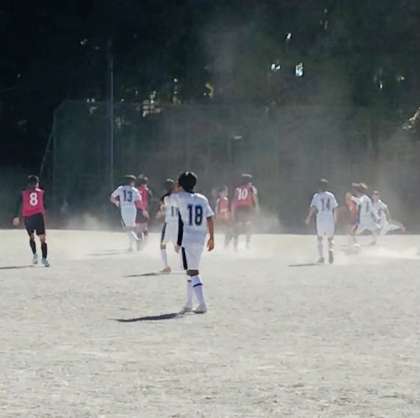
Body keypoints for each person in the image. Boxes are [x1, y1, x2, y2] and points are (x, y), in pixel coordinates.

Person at [174, 171, 215, 314]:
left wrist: (176, 188)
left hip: (187, 238)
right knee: (190, 271)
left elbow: (167, 202)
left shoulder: (179, 197)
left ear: (180, 184)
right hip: (200, 238)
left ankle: (202, 304)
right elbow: (209, 218)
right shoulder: (202, 199)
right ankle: (189, 303)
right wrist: (212, 237)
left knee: (193, 271)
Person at [12, 175, 50, 267]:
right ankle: (44, 259)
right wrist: (44, 209)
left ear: (28, 184)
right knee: (42, 239)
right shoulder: (42, 192)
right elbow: (45, 205)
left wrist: (16, 216)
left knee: (31, 237)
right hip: (38, 216)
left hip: (28, 217)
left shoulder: (23, 193)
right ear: (37, 183)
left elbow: (17, 204)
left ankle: (35, 255)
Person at [305, 178, 338, 264]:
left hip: (321, 218)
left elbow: (313, 208)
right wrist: (335, 218)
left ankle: (321, 257)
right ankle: (331, 250)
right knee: (330, 238)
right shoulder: (331, 195)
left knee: (320, 238)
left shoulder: (316, 196)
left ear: (319, 187)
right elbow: (335, 208)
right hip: (330, 218)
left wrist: (308, 217)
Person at [110, 175, 141, 252]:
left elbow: (112, 197)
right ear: (131, 182)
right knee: (131, 227)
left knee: (127, 228)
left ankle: (137, 240)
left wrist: (117, 202)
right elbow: (139, 200)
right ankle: (131, 247)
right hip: (133, 209)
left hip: (125, 208)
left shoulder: (121, 188)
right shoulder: (135, 190)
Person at [157, 178, 179, 273]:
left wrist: (160, 213)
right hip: (178, 223)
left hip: (169, 223)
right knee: (177, 246)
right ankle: (188, 264)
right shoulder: (179, 197)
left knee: (163, 245)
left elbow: (164, 209)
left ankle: (166, 267)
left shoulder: (165, 198)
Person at [231, 174, 258, 250]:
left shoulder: (237, 189)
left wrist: (233, 211)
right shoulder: (251, 189)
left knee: (237, 226)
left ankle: (235, 244)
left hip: (238, 208)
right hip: (247, 208)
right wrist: (256, 208)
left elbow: (234, 201)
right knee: (249, 226)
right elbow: (254, 198)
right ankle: (247, 243)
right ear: (248, 182)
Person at [135, 174, 152, 250]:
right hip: (144, 210)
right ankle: (145, 243)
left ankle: (139, 245)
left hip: (137, 210)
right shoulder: (147, 190)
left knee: (138, 228)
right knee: (145, 227)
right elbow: (150, 201)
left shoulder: (136, 190)